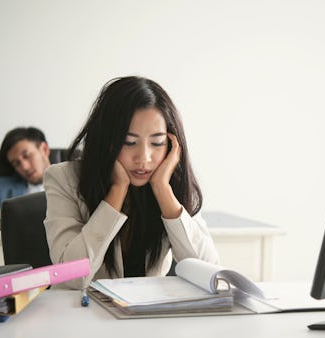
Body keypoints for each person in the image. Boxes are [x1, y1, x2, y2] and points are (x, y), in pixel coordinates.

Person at [44, 76, 219, 289]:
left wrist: (163, 189)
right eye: (129, 142)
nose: (144, 157)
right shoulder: (64, 179)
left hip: (147, 316)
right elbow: (70, 277)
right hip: (82, 314)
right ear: (105, 141)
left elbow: (208, 271)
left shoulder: (173, 183)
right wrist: (117, 190)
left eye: (157, 143)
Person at [0, 127, 51, 212]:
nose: (25, 167)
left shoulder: (69, 181)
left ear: (44, 149)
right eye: (16, 163)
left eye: (27, 156)